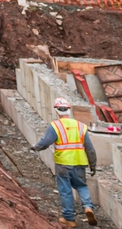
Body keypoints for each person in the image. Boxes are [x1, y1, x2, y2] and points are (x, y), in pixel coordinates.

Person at [32, 96, 98, 226]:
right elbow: (90, 149)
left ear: (57, 111)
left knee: (65, 190)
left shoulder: (55, 126)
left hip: (63, 163)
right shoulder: (81, 126)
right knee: (81, 186)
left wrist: (35, 147)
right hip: (79, 162)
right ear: (69, 110)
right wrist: (93, 165)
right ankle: (88, 207)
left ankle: (69, 219)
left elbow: (45, 142)